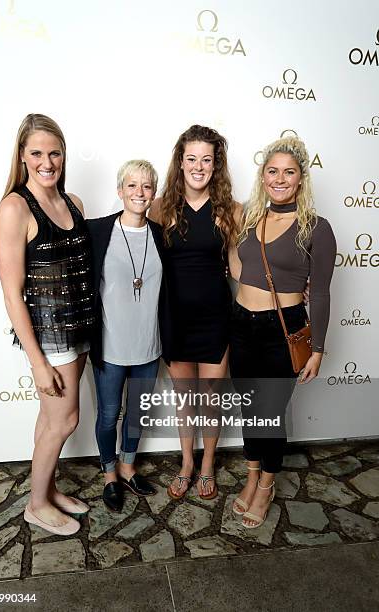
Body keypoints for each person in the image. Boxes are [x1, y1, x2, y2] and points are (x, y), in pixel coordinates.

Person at [0, 114, 95, 535]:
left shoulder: (74, 201)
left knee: (49, 419)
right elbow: (12, 293)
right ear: (22, 156)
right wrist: (38, 362)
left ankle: (48, 490)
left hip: (82, 327)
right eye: (36, 152)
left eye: (54, 152)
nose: (47, 161)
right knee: (64, 420)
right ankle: (36, 505)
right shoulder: (14, 208)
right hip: (50, 335)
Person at [228, 136, 336, 528]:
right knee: (249, 410)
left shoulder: (317, 228)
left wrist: (319, 349)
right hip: (241, 323)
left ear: (301, 179)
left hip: (282, 329)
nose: (280, 178)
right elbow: (240, 268)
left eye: (289, 172)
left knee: (268, 415)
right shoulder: (250, 217)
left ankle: (267, 484)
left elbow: (320, 291)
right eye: (272, 170)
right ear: (263, 175)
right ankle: (252, 474)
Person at [149, 125, 241, 500]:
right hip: (174, 317)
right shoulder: (161, 207)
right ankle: (187, 463)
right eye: (191, 159)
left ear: (215, 164)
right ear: (180, 162)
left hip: (216, 318)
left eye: (206, 159)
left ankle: (207, 466)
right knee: (185, 398)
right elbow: (138, 257)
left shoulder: (231, 210)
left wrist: (285, 287)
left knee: (211, 398)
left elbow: (237, 268)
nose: (198, 167)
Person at [87, 160, 166, 512]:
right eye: (131, 185)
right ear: (120, 191)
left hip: (149, 345)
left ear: (153, 193)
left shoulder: (161, 235)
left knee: (136, 414)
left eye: (146, 186)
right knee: (108, 415)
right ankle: (109, 474)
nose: (139, 192)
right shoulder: (98, 231)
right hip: (110, 345)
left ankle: (128, 466)